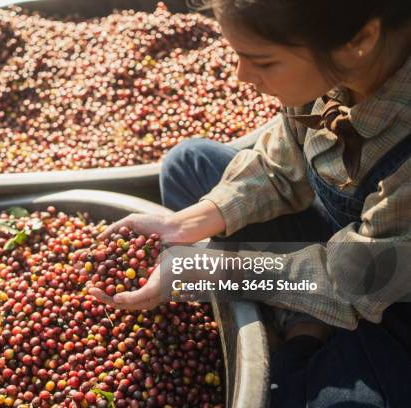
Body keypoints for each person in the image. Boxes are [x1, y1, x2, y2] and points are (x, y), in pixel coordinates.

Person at [90, 0, 411, 406]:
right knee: (188, 165)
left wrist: (210, 271)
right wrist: (193, 221)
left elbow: (359, 281)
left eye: (262, 61)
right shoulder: (335, 68)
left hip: (391, 295)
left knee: (305, 395)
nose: (241, 76)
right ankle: (301, 314)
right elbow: (279, 165)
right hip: (342, 242)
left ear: (359, 40)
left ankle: (303, 334)